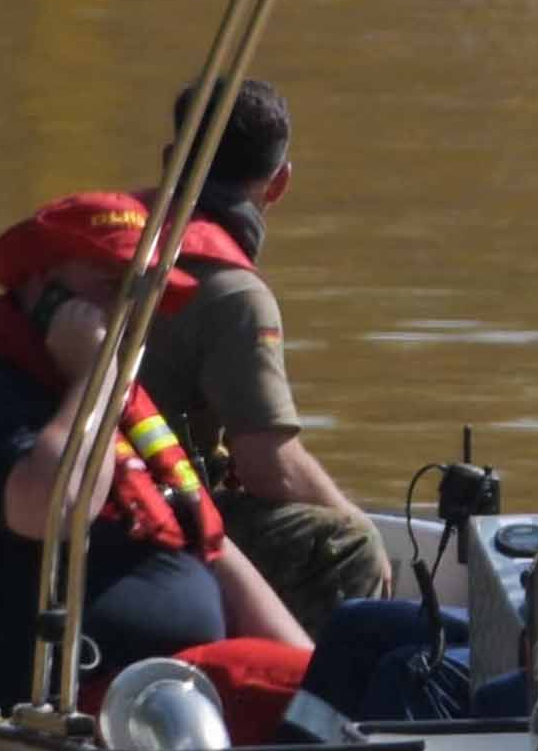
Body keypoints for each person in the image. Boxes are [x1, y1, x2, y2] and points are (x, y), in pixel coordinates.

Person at [0, 191, 308, 708]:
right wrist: (95, 371)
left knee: (379, 649)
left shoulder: (124, 407)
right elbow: (56, 507)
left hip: (178, 698)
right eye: (113, 287)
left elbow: (211, 549)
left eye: (144, 293)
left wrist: (315, 672)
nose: (132, 311)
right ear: (42, 286)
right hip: (59, 711)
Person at [139, 80, 391, 638]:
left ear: (169, 162)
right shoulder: (233, 292)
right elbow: (267, 466)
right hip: (137, 516)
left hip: (62, 491)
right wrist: (355, 522)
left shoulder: (110, 248)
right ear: (279, 183)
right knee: (349, 547)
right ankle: (312, 714)